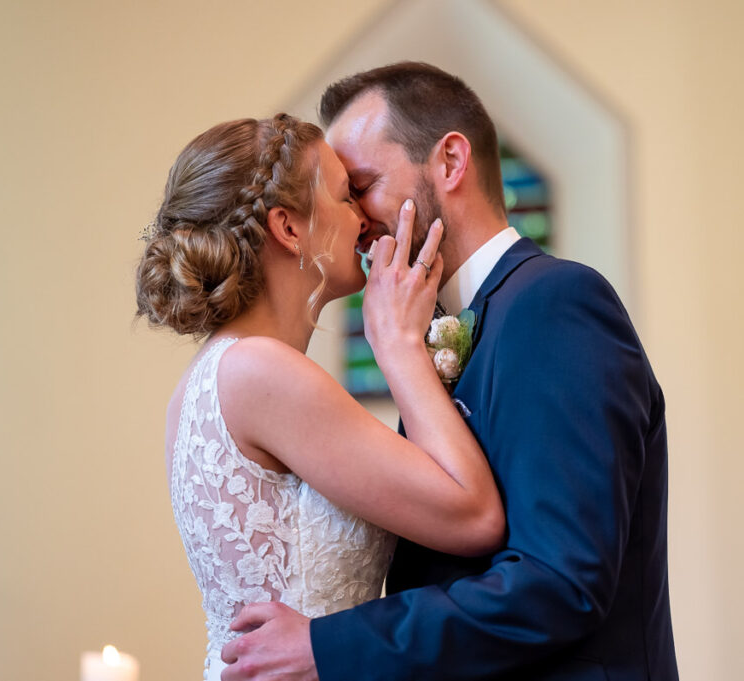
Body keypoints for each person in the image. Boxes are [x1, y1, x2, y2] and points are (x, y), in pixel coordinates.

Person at [220, 63, 679, 680]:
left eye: (363, 184)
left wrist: (330, 647)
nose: (355, 218)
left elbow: (561, 581)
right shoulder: (444, 325)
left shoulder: (556, 303)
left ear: (451, 162)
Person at [135, 113, 505, 681]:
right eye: (344, 195)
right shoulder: (262, 371)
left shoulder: (213, 374)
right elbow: (475, 515)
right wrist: (399, 346)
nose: (363, 218)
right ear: (287, 228)